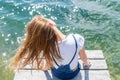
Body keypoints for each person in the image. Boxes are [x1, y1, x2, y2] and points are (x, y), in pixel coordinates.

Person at [9, 15, 91, 80]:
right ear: (51, 24)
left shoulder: (48, 48)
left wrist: (44, 68)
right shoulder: (76, 39)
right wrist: (86, 64)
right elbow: (83, 57)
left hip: (58, 75)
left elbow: (48, 65)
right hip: (73, 73)